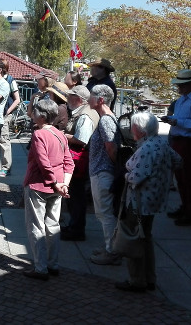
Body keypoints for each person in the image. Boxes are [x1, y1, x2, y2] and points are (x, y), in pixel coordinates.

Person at [115, 112, 181, 292]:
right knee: (145, 239)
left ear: (141, 130)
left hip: (139, 202)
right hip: (153, 201)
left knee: (134, 241)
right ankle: (149, 278)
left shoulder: (147, 148)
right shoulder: (160, 143)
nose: (130, 129)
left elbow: (136, 177)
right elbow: (178, 160)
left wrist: (126, 174)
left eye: (133, 126)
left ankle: (137, 281)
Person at [23, 98, 74, 280]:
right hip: (58, 187)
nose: (32, 113)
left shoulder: (38, 134)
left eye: (35, 111)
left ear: (42, 116)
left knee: (36, 227)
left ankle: (41, 267)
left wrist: (54, 182)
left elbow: (43, 162)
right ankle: (53, 264)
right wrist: (63, 184)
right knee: (53, 226)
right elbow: (69, 162)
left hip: (39, 185)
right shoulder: (60, 134)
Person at [161, 69, 191, 226]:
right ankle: (185, 207)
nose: (178, 88)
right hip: (178, 139)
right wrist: (172, 119)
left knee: (187, 176)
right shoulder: (183, 99)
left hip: (189, 142)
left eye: (181, 85)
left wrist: (177, 122)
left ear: (189, 84)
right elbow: (182, 118)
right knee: (180, 176)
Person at [87, 84, 123, 266]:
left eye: (91, 95)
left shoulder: (105, 120)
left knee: (105, 214)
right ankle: (110, 247)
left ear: (100, 100)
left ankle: (112, 252)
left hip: (103, 173)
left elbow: (111, 147)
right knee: (104, 214)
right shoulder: (106, 118)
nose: (88, 98)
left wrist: (113, 168)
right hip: (102, 172)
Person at [60, 85, 100, 241]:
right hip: (81, 160)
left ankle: (76, 229)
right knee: (76, 195)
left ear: (78, 99)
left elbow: (81, 140)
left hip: (80, 161)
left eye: (70, 96)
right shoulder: (84, 113)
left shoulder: (84, 116)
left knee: (76, 195)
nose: (67, 99)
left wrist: (64, 135)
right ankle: (74, 226)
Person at [0, 58, 21, 176]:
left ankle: (6, 167)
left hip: (5, 114)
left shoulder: (11, 80)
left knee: (4, 139)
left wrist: (8, 111)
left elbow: (17, 99)